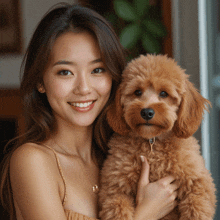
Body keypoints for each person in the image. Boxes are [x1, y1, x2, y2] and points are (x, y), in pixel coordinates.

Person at [0, 3, 178, 220]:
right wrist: (145, 214)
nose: (84, 88)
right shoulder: (32, 161)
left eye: (97, 70)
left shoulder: (120, 156)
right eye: (65, 72)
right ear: (40, 81)